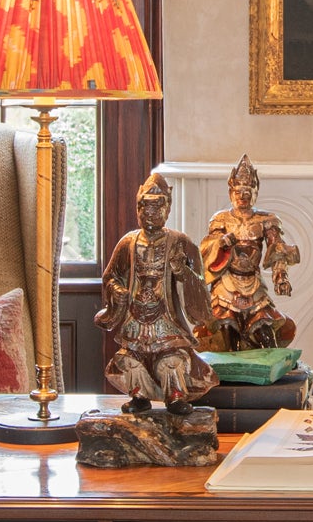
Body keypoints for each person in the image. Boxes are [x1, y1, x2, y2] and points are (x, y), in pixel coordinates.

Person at [96, 173, 216, 408]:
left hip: (166, 319)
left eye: (156, 208)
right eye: (145, 208)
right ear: (138, 209)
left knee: (170, 360)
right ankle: (139, 396)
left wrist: (182, 271)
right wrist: (116, 290)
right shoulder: (128, 243)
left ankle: (176, 397)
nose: (150, 214)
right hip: (136, 319)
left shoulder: (181, 242)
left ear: (167, 210)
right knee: (130, 360)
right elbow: (110, 276)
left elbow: (200, 283)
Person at [198, 155, 301, 351]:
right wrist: (222, 242)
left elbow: (278, 249)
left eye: (248, 192)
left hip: (253, 283)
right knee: (227, 325)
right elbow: (207, 249)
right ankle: (231, 365)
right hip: (226, 283)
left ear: (255, 192)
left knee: (263, 326)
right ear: (231, 193)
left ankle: (268, 359)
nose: (243, 196)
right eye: (238, 192)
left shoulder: (266, 220)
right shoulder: (220, 220)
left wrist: (281, 277)